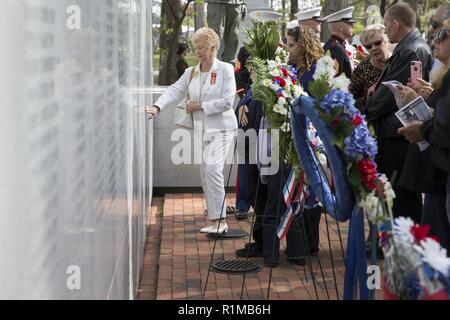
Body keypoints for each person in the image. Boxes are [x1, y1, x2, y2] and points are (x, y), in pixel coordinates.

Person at [145, 27, 237, 234]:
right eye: (196, 48)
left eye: (202, 47)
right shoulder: (191, 72)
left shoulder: (225, 70)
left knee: (213, 170)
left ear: (213, 47)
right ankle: (214, 220)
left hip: (222, 129)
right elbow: (173, 90)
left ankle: (221, 220)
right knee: (206, 173)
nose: (198, 52)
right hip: (201, 129)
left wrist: (200, 106)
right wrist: (157, 107)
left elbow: (227, 102)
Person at [364, 2, 432, 223]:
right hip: (396, 133)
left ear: (395, 23)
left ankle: (405, 247)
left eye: (386, 25)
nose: (385, 30)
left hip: (399, 135)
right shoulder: (407, 47)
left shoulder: (411, 49)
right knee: (395, 196)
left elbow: (391, 95)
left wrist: (367, 106)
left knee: (402, 199)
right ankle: (394, 243)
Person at [396, 19, 450, 252]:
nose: (435, 37)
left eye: (443, 33)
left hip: (441, 169)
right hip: (437, 169)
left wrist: (422, 126)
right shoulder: (443, 74)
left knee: (439, 246)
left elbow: (445, 124)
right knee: (431, 244)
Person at [286, 25, 325, 256]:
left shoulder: (317, 70)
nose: (288, 49)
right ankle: (298, 244)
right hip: (293, 133)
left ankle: (311, 243)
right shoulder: (290, 69)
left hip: (314, 135)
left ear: (303, 45)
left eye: (291, 45)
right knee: (297, 187)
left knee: (311, 189)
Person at [349, 24, 391, 112]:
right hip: (372, 119)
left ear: (387, 41)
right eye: (368, 46)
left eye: (377, 43)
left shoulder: (398, 62)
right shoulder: (362, 69)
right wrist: (367, 98)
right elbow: (350, 101)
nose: (373, 48)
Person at [206, 0, 245, 64]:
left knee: (233, 34)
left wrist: (243, 3)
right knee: (215, 34)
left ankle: (229, 62)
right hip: (216, 3)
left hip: (236, 3)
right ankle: (212, 62)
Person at [322, 6, 355, 78]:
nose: (353, 26)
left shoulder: (336, 45)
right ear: (340, 27)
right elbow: (334, 79)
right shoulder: (335, 48)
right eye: (350, 23)